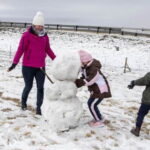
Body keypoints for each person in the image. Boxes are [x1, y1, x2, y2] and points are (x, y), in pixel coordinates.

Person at [8, 11, 56, 115]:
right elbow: (20, 49)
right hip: (28, 67)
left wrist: (56, 60)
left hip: (40, 67)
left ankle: (39, 108)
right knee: (28, 86)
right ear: (34, 25)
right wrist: (14, 63)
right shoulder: (26, 35)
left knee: (40, 88)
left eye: (41, 26)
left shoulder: (45, 36)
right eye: (38, 25)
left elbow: (48, 49)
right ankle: (23, 103)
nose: (40, 28)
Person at [75, 50, 111, 127]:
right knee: (92, 104)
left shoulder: (93, 69)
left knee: (91, 104)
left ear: (85, 61)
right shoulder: (86, 67)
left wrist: (77, 82)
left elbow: (89, 80)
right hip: (96, 90)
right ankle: (99, 118)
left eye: (80, 61)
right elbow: (85, 76)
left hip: (100, 90)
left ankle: (99, 121)